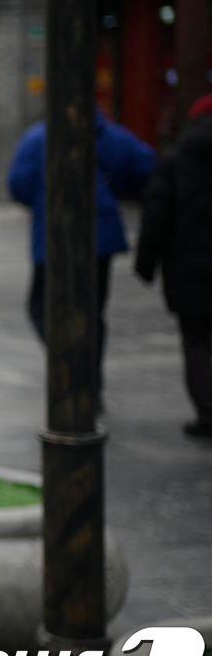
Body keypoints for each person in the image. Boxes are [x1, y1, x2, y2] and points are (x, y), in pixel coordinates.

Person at [8, 110, 155, 403]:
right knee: (93, 311)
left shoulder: (39, 138)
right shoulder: (109, 135)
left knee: (41, 305)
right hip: (100, 234)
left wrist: (41, 200)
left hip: (55, 235)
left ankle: (71, 362)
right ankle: (89, 375)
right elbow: (145, 165)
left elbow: (18, 183)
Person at [135, 94, 212, 439]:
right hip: (191, 263)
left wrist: (145, 263)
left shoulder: (177, 159)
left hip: (190, 267)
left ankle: (208, 413)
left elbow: (157, 217)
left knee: (196, 340)